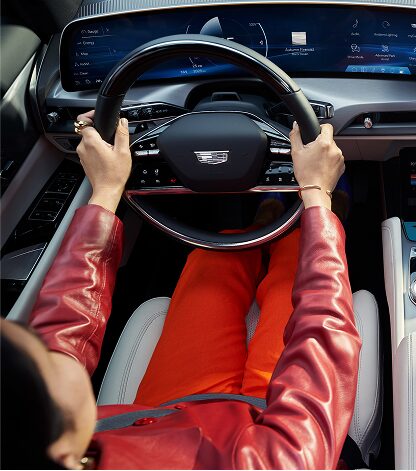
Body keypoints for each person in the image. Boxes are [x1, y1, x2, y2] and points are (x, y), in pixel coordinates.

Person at [0, 111, 360, 469]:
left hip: (164, 416)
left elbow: (61, 334)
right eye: (47, 361)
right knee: (295, 269)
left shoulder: (33, 442)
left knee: (214, 257)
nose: (51, 350)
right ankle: (299, 224)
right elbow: (324, 334)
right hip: (276, 424)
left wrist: (106, 191)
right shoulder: (279, 462)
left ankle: (264, 222)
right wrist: (316, 195)